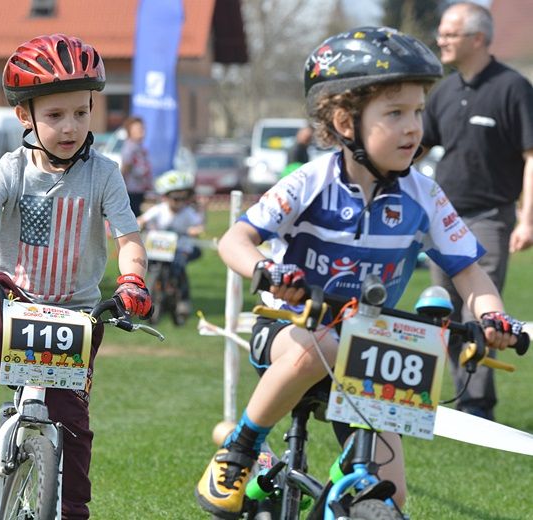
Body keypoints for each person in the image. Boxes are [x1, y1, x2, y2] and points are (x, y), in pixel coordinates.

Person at [194, 26, 526, 519]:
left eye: (418, 111)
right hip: (289, 330)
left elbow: (470, 275)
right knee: (319, 345)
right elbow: (234, 240)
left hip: (370, 349)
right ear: (345, 121)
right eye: (395, 114)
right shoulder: (311, 180)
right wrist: (265, 269)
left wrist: (494, 317)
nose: (413, 127)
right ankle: (241, 449)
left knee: (391, 494)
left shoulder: (425, 194)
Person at [0, 34, 152, 519]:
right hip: (12, 294)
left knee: (72, 423)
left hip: (76, 309)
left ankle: (70, 509)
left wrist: (132, 281)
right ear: (24, 116)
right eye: (54, 115)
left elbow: (128, 240)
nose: (70, 127)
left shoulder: (106, 175)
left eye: (80, 112)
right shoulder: (9, 169)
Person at [421, 2, 533, 421]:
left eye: (450, 34)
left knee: (481, 311)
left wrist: (526, 219)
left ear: (478, 39)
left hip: (490, 216)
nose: (441, 41)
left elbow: (531, 155)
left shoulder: (512, 88)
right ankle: (462, 396)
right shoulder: (444, 92)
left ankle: (478, 406)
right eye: (442, 34)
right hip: (441, 219)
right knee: (443, 309)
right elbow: (415, 149)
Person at [137, 169, 205, 318]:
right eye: (174, 198)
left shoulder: (188, 213)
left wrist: (195, 230)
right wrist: (140, 223)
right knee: (148, 265)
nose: (178, 202)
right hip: (159, 247)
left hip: (180, 248)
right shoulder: (159, 210)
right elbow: (143, 219)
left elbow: (198, 225)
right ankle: (151, 293)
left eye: (182, 198)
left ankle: (183, 300)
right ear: (165, 198)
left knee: (179, 268)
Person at [120, 116, 153, 216]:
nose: (142, 131)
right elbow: (126, 167)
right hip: (132, 191)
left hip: (141, 190)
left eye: (143, 128)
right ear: (130, 131)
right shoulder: (130, 148)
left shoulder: (140, 147)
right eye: (138, 129)